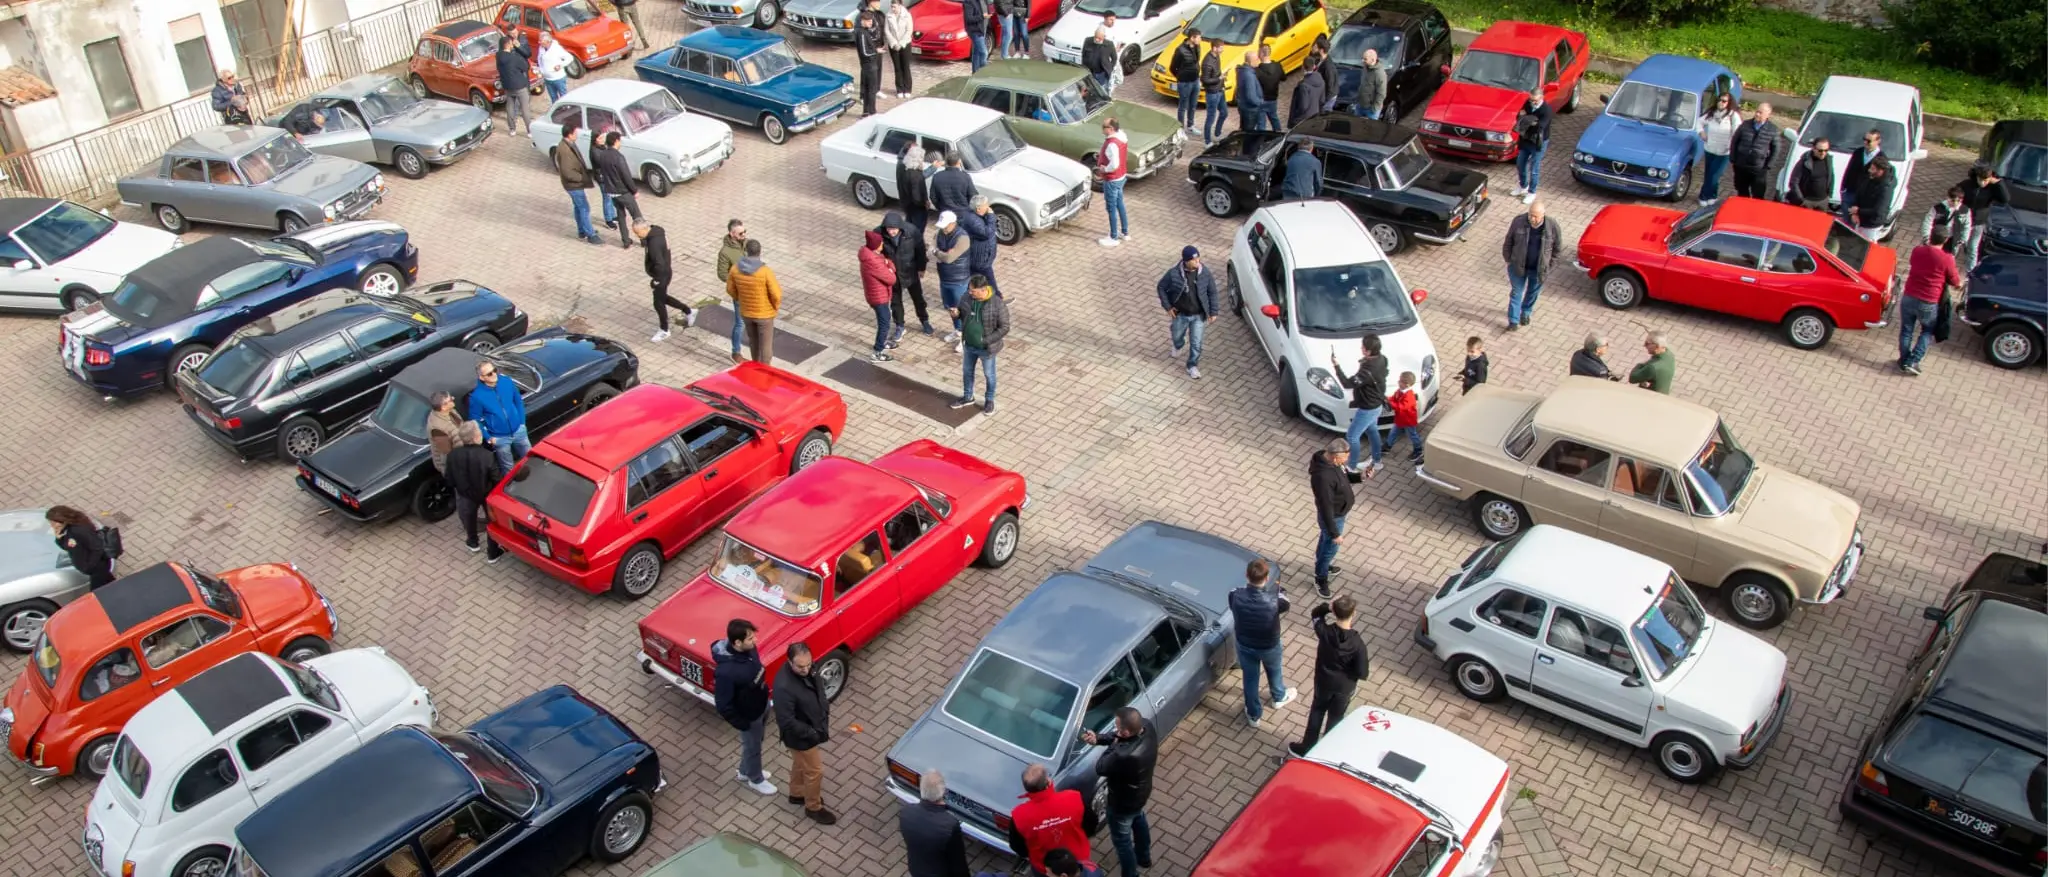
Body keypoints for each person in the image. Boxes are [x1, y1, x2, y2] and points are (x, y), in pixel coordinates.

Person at [1077, 708, 1156, 877]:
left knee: (1122, 841)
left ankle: (1130, 874)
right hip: (1141, 793)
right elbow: (1120, 737)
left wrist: (1112, 745)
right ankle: (1144, 857)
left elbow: (1101, 767)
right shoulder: (1147, 727)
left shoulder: (1122, 755)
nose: (1115, 729)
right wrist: (1098, 738)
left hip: (1122, 802)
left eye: (1117, 726)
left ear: (1126, 732)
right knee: (1139, 819)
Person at [1288, 595, 1368, 756]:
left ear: (1335, 612)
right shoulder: (1358, 644)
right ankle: (1327, 751)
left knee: (1317, 711)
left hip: (1323, 682)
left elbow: (1316, 615)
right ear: (1354, 614)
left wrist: (1327, 607)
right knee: (1336, 717)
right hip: (1343, 688)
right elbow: (1362, 672)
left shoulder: (1324, 632)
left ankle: (1307, 747)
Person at [713, 619, 778, 797]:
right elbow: (723, 704)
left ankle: (745, 771)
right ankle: (755, 779)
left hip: (761, 704)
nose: (755, 641)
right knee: (753, 746)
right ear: (737, 643)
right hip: (748, 715)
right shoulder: (725, 672)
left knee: (754, 743)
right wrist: (741, 723)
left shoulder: (749, 650)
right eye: (750, 638)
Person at [774, 643, 836, 824]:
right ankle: (813, 807)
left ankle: (797, 793)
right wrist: (811, 733)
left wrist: (823, 707)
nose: (806, 669)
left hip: (810, 729)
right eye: (801, 666)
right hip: (801, 737)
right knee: (815, 771)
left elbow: (817, 688)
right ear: (789, 662)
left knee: (800, 763)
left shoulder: (808, 668)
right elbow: (786, 720)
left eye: (809, 664)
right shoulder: (784, 687)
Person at [1230, 558, 1292, 728]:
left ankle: (1253, 714)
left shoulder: (1235, 594)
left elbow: (1232, 603)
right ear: (1266, 578)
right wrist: (1278, 588)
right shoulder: (1275, 600)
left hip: (1244, 644)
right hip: (1269, 645)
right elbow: (1286, 604)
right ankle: (1279, 697)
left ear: (1246, 575)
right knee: (1274, 670)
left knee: (1250, 679)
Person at [1899, 226, 1961, 376]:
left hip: (1909, 296)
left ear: (1931, 235)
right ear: (1946, 240)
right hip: (1928, 300)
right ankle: (1913, 361)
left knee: (1906, 330)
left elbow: (1914, 263)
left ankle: (1904, 359)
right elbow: (1954, 281)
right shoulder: (1947, 258)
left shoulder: (1917, 250)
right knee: (1927, 330)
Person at [1007, 764, 1090, 873]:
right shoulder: (1074, 797)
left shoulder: (1019, 815)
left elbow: (1017, 846)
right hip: (1078, 860)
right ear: (1048, 782)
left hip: (1045, 868)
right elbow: (1090, 823)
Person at [444, 423, 505, 561]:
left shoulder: (453, 455)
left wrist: (459, 489)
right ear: (476, 437)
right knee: (492, 521)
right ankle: (493, 552)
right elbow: (496, 478)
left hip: (465, 493)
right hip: (486, 493)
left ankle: (473, 542)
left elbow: (449, 477)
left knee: (469, 517)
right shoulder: (487, 456)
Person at [1157, 245, 1218, 379]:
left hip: (1199, 315)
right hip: (1180, 315)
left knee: (1196, 343)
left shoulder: (1205, 273)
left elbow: (1212, 292)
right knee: (1176, 335)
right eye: (1194, 260)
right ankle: (1178, 345)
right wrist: (1167, 307)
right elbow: (1161, 287)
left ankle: (1192, 366)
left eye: (1198, 259)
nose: (1198, 262)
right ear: (1186, 261)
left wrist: (1213, 312)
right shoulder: (1173, 274)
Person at [951, 275, 1007, 415]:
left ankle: (989, 400)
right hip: (969, 345)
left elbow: (1005, 327)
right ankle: (968, 397)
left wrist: (986, 340)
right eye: (969, 290)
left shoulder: (997, 303)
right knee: (967, 372)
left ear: (982, 290)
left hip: (986, 349)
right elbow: (961, 313)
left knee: (989, 375)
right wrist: (956, 314)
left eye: (973, 291)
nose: (969, 292)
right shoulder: (966, 297)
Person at [1332, 334, 1387, 474]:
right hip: (1377, 403)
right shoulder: (1382, 359)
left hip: (1368, 407)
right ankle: (1377, 461)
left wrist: (1337, 366)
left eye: (1363, 347)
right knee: (1372, 430)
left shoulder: (1367, 371)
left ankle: (1352, 465)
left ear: (1368, 351)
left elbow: (1347, 383)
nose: (1361, 348)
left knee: (1352, 436)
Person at [1501, 200, 1559, 329]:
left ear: (1542, 215)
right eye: (1530, 215)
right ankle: (1513, 321)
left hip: (1538, 269)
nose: (1532, 218)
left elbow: (1557, 248)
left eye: (1535, 216)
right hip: (1517, 266)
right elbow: (1508, 241)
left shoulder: (1552, 226)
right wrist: (1508, 259)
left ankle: (1526, 312)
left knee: (1533, 292)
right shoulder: (1519, 221)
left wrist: (1549, 265)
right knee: (1516, 292)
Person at [901, 771, 970, 877]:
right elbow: (958, 863)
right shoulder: (950, 825)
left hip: (916, 869)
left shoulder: (906, 812)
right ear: (943, 792)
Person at [879, 211, 933, 340]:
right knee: (895, 302)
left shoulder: (912, 231)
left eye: (893, 229)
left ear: (900, 227)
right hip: (892, 275)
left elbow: (920, 251)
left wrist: (921, 268)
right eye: (888, 229)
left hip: (910, 271)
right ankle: (900, 326)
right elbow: (876, 253)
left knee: (918, 299)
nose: (891, 232)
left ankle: (924, 320)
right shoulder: (878, 234)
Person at [1308, 438, 1351, 599]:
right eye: (1345, 457)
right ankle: (1320, 578)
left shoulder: (1334, 465)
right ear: (1335, 457)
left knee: (1324, 542)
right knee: (1329, 548)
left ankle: (1323, 566)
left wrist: (1360, 477)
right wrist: (1335, 533)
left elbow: (1345, 479)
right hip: (1333, 518)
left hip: (1338, 514)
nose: (1346, 460)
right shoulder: (1323, 477)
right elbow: (1325, 506)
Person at [726, 239, 783, 363]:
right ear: (760, 252)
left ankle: (755, 367)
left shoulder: (735, 269)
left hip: (747, 313)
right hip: (765, 314)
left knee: (754, 342)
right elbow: (776, 294)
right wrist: (774, 307)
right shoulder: (765, 271)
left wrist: (740, 299)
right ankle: (765, 370)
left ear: (746, 251)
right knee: (766, 346)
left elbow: (730, 289)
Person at [469, 359, 530, 472]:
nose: (494, 374)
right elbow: (475, 420)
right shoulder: (477, 396)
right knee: (507, 468)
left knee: (530, 458)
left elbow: (518, 401)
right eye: (489, 373)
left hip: (518, 430)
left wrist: (522, 423)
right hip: (500, 438)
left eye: (495, 370)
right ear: (482, 378)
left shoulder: (506, 382)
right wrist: (488, 437)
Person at [551, 120, 604, 245]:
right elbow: (567, 172)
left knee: (578, 207)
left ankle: (582, 230)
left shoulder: (569, 144)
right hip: (573, 184)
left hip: (574, 184)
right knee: (584, 208)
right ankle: (590, 234)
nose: (577, 134)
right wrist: (581, 178)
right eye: (575, 132)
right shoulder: (564, 149)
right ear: (569, 134)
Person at [640, 221, 693, 342]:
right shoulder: (657, 234)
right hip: (665, 272)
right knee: (662, 298)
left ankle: (664, 330)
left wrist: (657, 280)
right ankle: (688, 311)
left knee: (658, 302)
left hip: (662, 275)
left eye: (638, 232)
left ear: (644, 229)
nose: (637, 235)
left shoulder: (653, 242)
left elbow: (659, 263)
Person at [593, 132, 644, 249]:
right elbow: (626, 176)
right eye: (620, 140)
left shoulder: (603, 155)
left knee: (621, 216)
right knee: (637, 216)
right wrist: (634, 190)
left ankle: (625, 241)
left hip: (611, 191)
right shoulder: (618, 157)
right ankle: (644, 240)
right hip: (622, 191)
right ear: (616, 141)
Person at [1957, 163, 2007, 273]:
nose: (1983, 183)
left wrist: (1999, 183)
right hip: (1963, 220)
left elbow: (2005, 199)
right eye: (1981, 180)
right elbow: (1956, 195)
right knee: (1956, 245)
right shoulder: (1967, 185)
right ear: (1976, 177)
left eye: (1986, 180)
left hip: (1978, 222)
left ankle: (1970, 272)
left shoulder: (1992, 189)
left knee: (1973, 248)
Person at [46, 506, 114, 588]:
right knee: (110, 584)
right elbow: (69, 547)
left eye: (53, 523)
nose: (52, 526)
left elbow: (97, 547)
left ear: (62, 519)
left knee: (98, 594)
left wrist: (89, 566)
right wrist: (59, 539)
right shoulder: (68, 530)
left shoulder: (78, 530)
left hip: (98, 568)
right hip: (94, 568)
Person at [932, 211, 972, 346]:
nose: (943, 228)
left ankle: (966, 338)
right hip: (944, 278)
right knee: (951, 308)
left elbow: (949, 258)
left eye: (946, 225)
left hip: (959, 279)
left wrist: (937, 252)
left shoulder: (963, 238)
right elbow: (935, 248)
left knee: (961, 310)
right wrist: (941, 253)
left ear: (953, 223)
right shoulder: (940, 234)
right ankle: (958, 330)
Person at [860, 229, 898, 362]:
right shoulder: (873, 261)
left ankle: (882, 342)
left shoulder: (871, 255)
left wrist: (888, 265)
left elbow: (887, 263)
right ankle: (877, 351)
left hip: (877, 294)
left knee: (884, 320)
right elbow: (891, 279)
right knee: (885, 323)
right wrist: (890, 268)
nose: (882, 245)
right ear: (876, 245)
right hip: (879, 297)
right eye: (881, 243)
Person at [1729, 102, 1779, 200]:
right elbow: (1735, 141)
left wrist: (1768, 165)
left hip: (1758, 168)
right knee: (1741, 190)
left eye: (1760, 113)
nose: (1757, 114)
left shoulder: (1773, 129)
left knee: (1758, 193)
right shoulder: (1745, 125)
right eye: (1757, 111)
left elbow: (1776, 148)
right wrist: (1733, 158)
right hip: (1741, 165)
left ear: (1768, 115)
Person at [717, 219, 750, 364]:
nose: (744, 235)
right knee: (740, 323)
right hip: (740, 291)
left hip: (752, 288)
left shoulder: (746, 244)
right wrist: (737, 281)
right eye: (741, 233)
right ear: (732, 234)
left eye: (745, 231)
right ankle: (736, 352)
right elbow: (722, 273)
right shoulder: (725, 252)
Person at [1698, 91, 1739, 204]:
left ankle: (1704, 196)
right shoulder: (1712, 113)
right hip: (1710, 148)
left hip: (1724, 151)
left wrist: (1731, 144)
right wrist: (1701, 132)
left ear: (1729, 103)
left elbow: (1737, 131)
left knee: (1715, 175)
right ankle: (1710, 195)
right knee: (1709, 173)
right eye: (1719, 100)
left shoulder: (1733, 116)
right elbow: (1699, 122)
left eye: (1724, 101)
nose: (1721, 103)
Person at [1511, 91, 1551, 203]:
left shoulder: (1546, 110)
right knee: (1520, 163)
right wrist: (1530, 121)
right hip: (1525, 139)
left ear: (1541, 98)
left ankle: (1532, 192)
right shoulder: (1527, 104)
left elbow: (1540, 127)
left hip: (1538, 142)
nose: (1533, 103)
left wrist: (1527, 120)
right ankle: (1523, 186)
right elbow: (1519, 116)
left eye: (1535, 101)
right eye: (1531, 100)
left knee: (1534, 169)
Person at [1844, 157, 1895, 240]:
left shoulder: (1886, 188)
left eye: (1873, 169)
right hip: (1860, 220)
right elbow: (1859, 194)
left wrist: (1858, 211)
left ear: (1880, 171)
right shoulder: (1870, 178)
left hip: (1872, 225)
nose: (1869, 170)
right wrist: (1855, 213)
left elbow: (1878, 210)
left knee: (1867, 247)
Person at [1097, 118, 1130, 246]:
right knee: (1119, 203)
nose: (1102, 129)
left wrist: (1105, 169)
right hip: (1121, 177)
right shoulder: (1122, 136)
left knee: (1111, 208)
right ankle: (1125, 232)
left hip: (1112, 179)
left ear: (1110, 129)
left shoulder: (1112, 144)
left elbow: (1114, 164)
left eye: (1104, 127)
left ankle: (1113, 237)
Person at [494, 33, 533, 136]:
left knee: (510, 107)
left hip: (507, 86)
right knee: (525, 108)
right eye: (511, 43)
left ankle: (512, 129)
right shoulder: (513, 57)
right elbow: (524, 67)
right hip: (519, 85)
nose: (512, 45)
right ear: (507, 44)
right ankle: (530, 131)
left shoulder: (498, 56)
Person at [961, 196, 1000, 297]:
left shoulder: (977, 215)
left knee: (974, 277)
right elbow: (987, 233)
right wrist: (991, 216)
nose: (988, 208)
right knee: (988, 278)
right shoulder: (972, 220)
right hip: (980, 258)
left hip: (982, 255)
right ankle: (997, 298)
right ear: (978, 208)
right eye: (986, 205)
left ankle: (970, 294)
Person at [1840, 128, 1885, 207]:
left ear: (1878, 141)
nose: (1865, 142)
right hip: (1850, 193)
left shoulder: (1881, 158)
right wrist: (1843, 188)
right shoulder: (1858, 152)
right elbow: (1849, 170)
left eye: (1869, 141)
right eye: (1864, 139)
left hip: (1866, 198)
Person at [1384, 371, 1422, 465]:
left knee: (1412, 435)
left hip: (1408, 421)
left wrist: (1390, 403)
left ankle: (1418, 450)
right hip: (1400, 419)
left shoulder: (1409, 396)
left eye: (1400, 381)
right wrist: (1388, 399)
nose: (1398, 382)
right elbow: (1394, 398)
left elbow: (1401, 407)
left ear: (1407, 384)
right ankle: (1387, 446)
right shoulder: (1399, 391)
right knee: (1393, 432)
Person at [1786, 137, 1834, 210]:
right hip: (1807, 201)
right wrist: (1801, 200)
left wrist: (1830, 194)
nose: (1823, 153)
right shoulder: (1804, 162)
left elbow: (1831, 176)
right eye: (1820, 150)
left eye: (1826, 150)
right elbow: (1793, 182)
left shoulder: (1828, 160)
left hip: (1822, 201)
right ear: (1814, 149)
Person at [856, 0, 885, 116]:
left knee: (871, 90)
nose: (871, 23)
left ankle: (867, 111)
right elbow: (864, 52)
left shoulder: (866, 32)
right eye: (868, 21)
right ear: (863, 21)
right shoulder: (862, 34)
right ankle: (871, 112)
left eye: (871, 21)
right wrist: (876, 51)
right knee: (870, 90)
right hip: (868, 65)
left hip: (871, 64)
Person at [1923, 186, 1973, 253]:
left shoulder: (1965, 210)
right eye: (1953, 200)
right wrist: (1926, 236)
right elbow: (1928, 222)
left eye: (1958, 201)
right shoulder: (1938, 208)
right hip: (1937, 238)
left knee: (1948, 258)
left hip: (1952, 240)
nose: (1955, 203)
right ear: (1948, 197)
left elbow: (1967, 226)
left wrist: (1963, 239)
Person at [930, 150, 979, 217]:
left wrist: (940, 208)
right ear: (959, 161)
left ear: (946, 162)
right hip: (963, 213)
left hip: (945, 213)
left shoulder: (937, 176)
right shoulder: (965, 177)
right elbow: (973, 196)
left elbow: (933, 197)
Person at [1170, 30, 1202, 131]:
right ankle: (1180, 128)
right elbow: (1173, 67)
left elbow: (1196, 62)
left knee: (1193, 105)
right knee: (1182, 106)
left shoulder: (1197, 47)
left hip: (1195, 80)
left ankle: (1190, 125)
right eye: (1198, 37)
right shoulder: (1180, 50)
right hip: (1185, 82)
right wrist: (1180, 77)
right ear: (1192, 38)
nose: (1200, 39)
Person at [896, 143, 931, 234]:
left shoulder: (905, 170)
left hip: (908, 204)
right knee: (918, 229)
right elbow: (917, 197)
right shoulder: (916, 175)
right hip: (917, 208)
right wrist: (924, 203)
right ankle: (916, 245)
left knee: (909, 225)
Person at [427, 391, 464, 474]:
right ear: (443, 407)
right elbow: (447, 455)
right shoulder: (437, 429)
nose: (453, 398)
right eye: (451, 399)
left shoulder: (450, 411)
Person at [885, 0, 916, 97]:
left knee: (905, 67)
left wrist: (901, 43)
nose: (893, 9)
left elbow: (909, 30)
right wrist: (894, 43)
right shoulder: (888, 15)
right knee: (897, 68)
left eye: (895, 6)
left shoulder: (907, 15)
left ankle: (907, 89)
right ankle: (899, 89)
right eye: (892, 6)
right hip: (893, 45)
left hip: (905, 44)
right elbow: (887, 31)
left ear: (900, 5)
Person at [1289, 49, 1326, 129]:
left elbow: (1303, 106)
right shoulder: (1321, 81)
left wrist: (1295, 117)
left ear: (1303, 67)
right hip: (1314, 116)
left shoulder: (1304, 85)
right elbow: (1322, 100)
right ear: (1314, 66)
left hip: (1303, 120)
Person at [1199, 37, 1227, 145]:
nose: (1222, 50)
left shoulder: (1217, 56)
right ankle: (1207, 141)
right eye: (1221, 48)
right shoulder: (1207, 62)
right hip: (1212, 93)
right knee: (1210, 117)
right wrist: (1219, 79)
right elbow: (1205, 80)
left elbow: (1218, 72)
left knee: (1224, 113)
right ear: (1214, 48)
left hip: (1220, 90)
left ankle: (1218, 133)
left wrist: (1222, 83)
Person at [537, 33, 573, 103]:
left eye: (541, 41)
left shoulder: (557, 48)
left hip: (558, 78)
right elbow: (540, 59)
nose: (539, 42)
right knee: (553, 98)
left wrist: (560, 65)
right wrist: (541, 70)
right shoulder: (541, 48)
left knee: (564, 97)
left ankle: (567, 110)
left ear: (548, 42)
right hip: (547, 79)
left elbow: (569, 58)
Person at [1253, 45, 1282, 131]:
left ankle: (1260, 140)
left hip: (1261, 99)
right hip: (1273, 98)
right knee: (1274, 118)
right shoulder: (1277, 66)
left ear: (1261, 54)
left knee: (1261, 123)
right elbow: (1283, 77)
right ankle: (1279, 136)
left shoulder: (1257, 70)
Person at [1234, 55, 1264, 134]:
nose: (1259, 60)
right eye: (1257, 59)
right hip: (1250, 110)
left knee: (1244, 130)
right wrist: (1260, 102)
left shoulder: (1242, 71)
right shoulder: (1249, 75)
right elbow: (1251, 96)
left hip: (1244, 107)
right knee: (1248, 133)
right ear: (1251, 61)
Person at [1083, 26, 1117, 93]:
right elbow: (1083, 54)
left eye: (1099, 38)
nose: (1097, 39)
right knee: (1088, 88)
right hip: (1089, 71)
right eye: (1096, 37)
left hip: (1101, 73)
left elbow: (1114, 58)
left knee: (1100, 90)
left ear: (1104, 36)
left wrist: (1110, 68)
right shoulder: (1088, 40)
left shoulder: (1109, 44)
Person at [1355, 48, 1387, 119]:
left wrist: (1374, 108)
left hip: (1371, 110)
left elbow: (1381, 94)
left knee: (1370, 129)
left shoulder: (1379, 73)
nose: (1363, 61)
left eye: (1365, 59)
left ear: (1373, 60)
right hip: (1360, 105)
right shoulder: (1365, 68)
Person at [961, 0, 990, 71]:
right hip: (975, 30)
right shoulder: (969, 2)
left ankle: (975, 73)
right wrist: (982, 16)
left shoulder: (984, 1)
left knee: (976, 53)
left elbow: (986, 11)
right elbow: (969, 18)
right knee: (984, 53)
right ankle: (983, 73)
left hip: (983, 29)